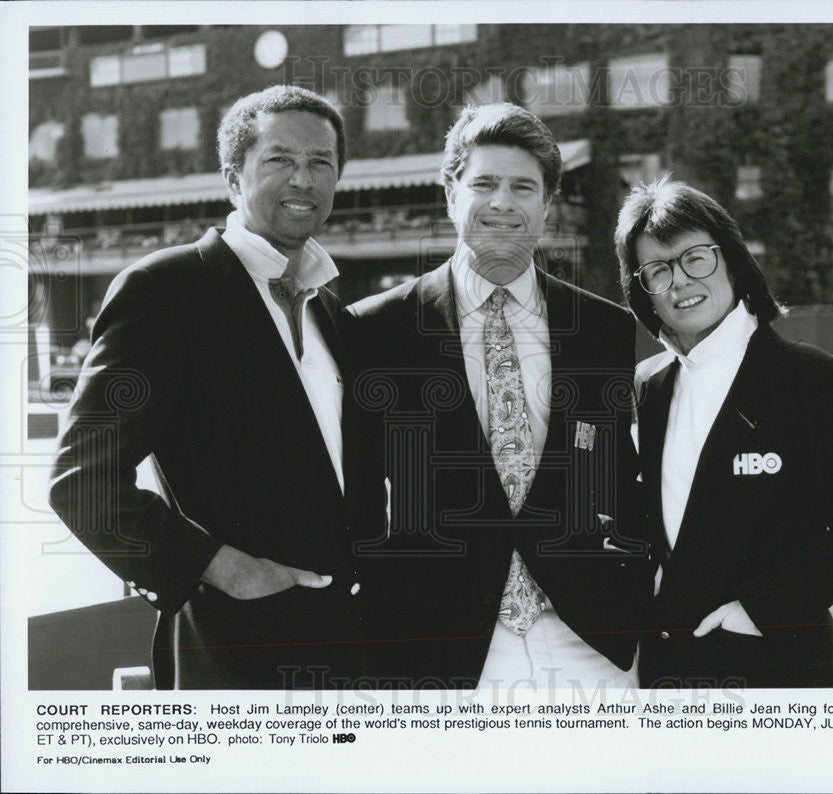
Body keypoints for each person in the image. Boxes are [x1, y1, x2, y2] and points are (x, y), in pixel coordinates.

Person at [49, 85, 382, 689]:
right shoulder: (165, 289)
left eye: (320, 163)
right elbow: (82, 482)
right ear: (233, 178)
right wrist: (225, 570)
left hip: (349, 649)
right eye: (280, 160)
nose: (303, 180)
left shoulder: (330, 309)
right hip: (234, 649)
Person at [345, 103, 653, 689]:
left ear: (547, 202)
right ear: (450, 193)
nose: (503, 203)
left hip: (590, 642)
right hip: (439, 649)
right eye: (484, 183)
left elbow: (619, 476)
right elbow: (358, 495)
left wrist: (633, 587)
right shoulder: (375, 329)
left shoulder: (603, 328)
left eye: (523, 187)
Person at [617, 177, 833, 688]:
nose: (679, 281)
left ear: (731, 259)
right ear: (643, 291)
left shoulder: (812, 378)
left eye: (694, 257)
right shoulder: (649, 384)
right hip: (671, 675)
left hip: (779, 667)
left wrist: (756, 610)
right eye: (657, 270)